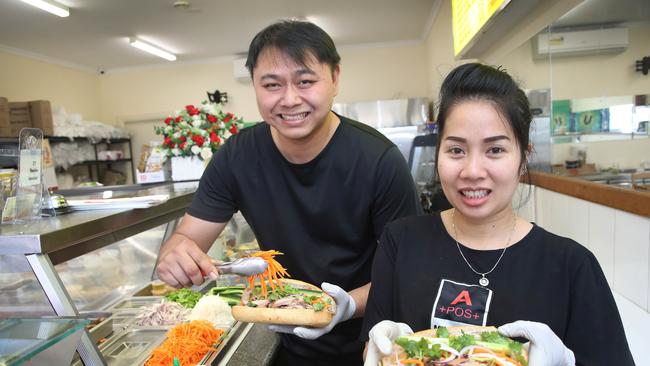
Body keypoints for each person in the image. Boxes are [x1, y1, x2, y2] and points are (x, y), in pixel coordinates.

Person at [155, 20, 422, 365]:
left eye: (306, 81)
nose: (290, 99)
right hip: (285, 339)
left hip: (369, 344)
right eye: (272, 84)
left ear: (335, 78)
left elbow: (406, 273)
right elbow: (188, 239)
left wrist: (339, 308)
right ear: (254, 85)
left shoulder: (379, 160)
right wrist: (175, 255)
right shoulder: (237, 157)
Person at [362, 63, 634, 366]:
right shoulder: (400, 242)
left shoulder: (572, 266)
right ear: (438, 153)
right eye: (456, 150)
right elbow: (371, 348)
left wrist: (565, 362)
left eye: (495, 150)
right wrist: (384, 352)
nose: (473, 171)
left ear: (523, 157)